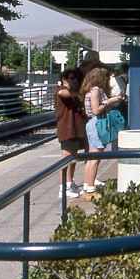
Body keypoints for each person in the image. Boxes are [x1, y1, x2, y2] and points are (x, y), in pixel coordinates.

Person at [80, 67, 123, 196]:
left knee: (92, 157)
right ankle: (91, 188)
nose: (108, 81)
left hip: (93, 123)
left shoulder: (91, 90)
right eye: (107, 78)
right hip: (97, 123)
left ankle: (87, 185)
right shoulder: (96, 91)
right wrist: (111, 101)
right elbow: (96, 110)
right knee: (96, 157)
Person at [55, 69, 86, 199]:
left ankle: (69, 181)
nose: (74, 81)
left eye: (75, 78)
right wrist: (77, 92)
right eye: (70, 78)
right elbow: (64, 93)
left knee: (73, 158)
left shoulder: (76, 93)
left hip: (76, 129)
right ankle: (63, 186)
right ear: (64, 79)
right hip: (66, 129)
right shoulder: (60, 90)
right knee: (66, 157)